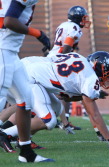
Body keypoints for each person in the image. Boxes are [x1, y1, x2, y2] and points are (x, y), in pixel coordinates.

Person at [1, 51, 109, 152]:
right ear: (98, 66)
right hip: (31, 79)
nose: (106, 78)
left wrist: (94, 94)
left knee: (57, 108)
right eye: (107, 74)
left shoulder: (78, 58)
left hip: (25, 67)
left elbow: (68, 97)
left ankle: (22, 139)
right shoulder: (90, 78)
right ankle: (5, 134)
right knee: (49, 121)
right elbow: (94, 113)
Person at [0, 0, 53, 162]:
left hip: (10, 53)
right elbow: (9, 21)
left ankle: (26, 152)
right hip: (2, 49)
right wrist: (38, 34)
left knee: (26, 99)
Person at [47, 5, 91, 131]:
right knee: (68, 88)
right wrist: (66, 59)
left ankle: (64, 121)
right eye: (83, 17)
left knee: (66, 90)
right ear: (77, 17)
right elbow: (66, 47)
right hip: (58, 60)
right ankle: (57, 119)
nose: (84, 20)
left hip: (52, 58)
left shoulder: (63, 25)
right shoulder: (75, 27)